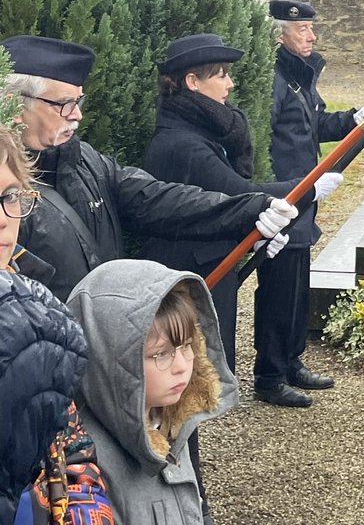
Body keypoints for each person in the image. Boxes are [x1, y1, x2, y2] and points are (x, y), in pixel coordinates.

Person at [3, 35, 299, 303]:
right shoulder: (7, 185)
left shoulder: (85, 161)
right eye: (64, 104)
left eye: (78, 101)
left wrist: (253, 210)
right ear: (14, 104)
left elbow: (158, 198)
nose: (77, 115)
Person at [141, 33, 341, 372]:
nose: (230, 83)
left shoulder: (198, 131)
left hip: (204, 266)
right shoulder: (183, 144)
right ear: (192, 81)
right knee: (191, 379)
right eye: (220, 74)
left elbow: (219, 206)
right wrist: (306, 188)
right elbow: (235, 195)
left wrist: (257, 239)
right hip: (191, 274)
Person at [0, 125, 113, 525]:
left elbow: (69, 444)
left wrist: (89, 512)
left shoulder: (36, 303)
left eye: (9, 196)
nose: (2, 220)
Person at [66, 259, 237, 525]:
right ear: (107, 358)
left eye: (187, 346)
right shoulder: (86, 464)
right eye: (160, 354)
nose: (182, 367)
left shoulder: (168, 425)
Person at [253, 0, 363, 408]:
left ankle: (292, 359)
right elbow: (264, 137)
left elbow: (314, 125)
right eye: (303, 30)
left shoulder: (299, 77)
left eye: (312, 29)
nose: (312, 36)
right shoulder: (274, 79)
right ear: (278, 33)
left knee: (298, 287)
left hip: (303, 198)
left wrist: (352, 119)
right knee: (279, 290)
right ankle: (270, 375)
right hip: (285, 196)